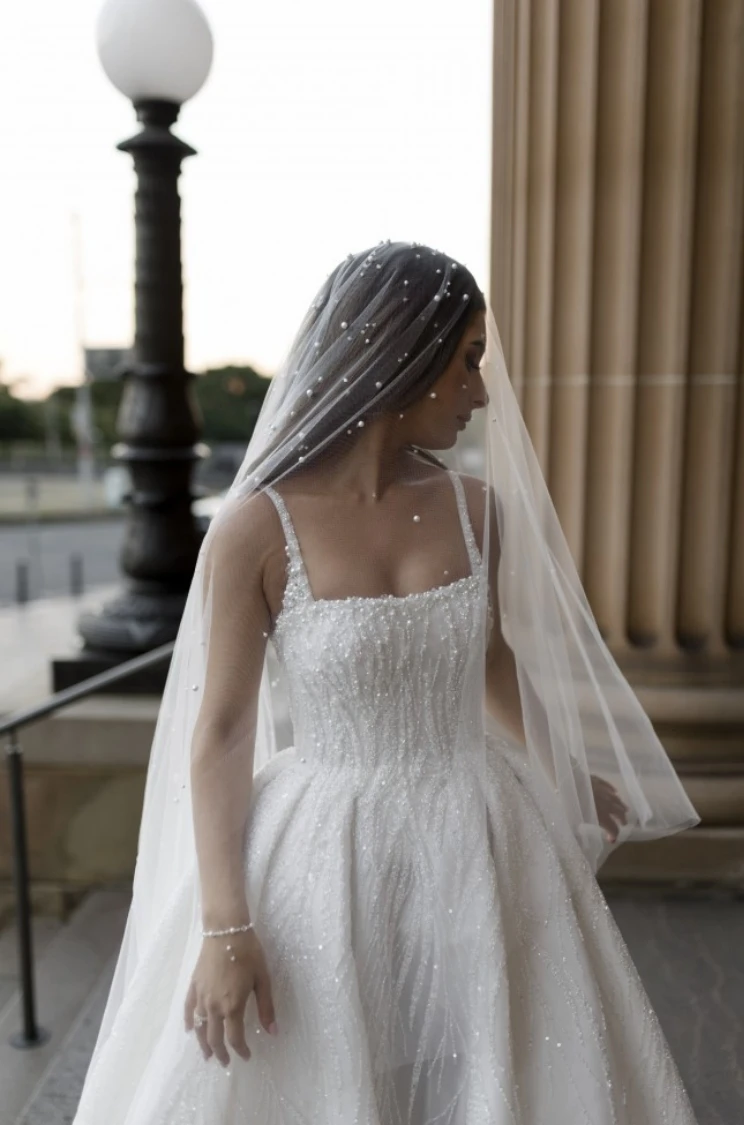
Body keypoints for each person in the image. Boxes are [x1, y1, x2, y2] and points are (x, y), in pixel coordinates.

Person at [73, 242, 700, 1124]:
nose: (483, 391)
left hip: (481, 833)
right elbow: (217, 734)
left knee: (488, 1058)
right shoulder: (257, 527)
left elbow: (488, 662)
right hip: (323, 851)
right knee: (342, 1070)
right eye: (470, 360)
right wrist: (224, 925)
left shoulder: (479, 510)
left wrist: (564, 766)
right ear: (404, 352)